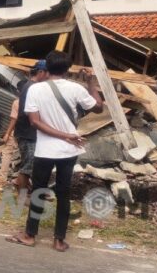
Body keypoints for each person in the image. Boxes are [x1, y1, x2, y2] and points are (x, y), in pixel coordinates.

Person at [7, 51, 103, 252]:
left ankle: (30, 235)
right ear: (67, 69)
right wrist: (91, 82)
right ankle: (59, 240)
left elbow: (35, 122)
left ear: (46, 68)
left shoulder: (34, 89)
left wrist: (63, 135)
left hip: (44, 151)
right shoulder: (76, 88)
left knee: (38, 192)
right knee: (63, 193)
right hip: (69, 151)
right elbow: (98, 107)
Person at [12, 60, 50, 194]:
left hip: (28, 132)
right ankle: (22, 197)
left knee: (30, 164)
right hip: (27, 133)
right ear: (41, 72)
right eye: (48, 73)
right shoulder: (31, 87)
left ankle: (27, 192)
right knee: (28, 166)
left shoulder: (31, 86)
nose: (49, 77)